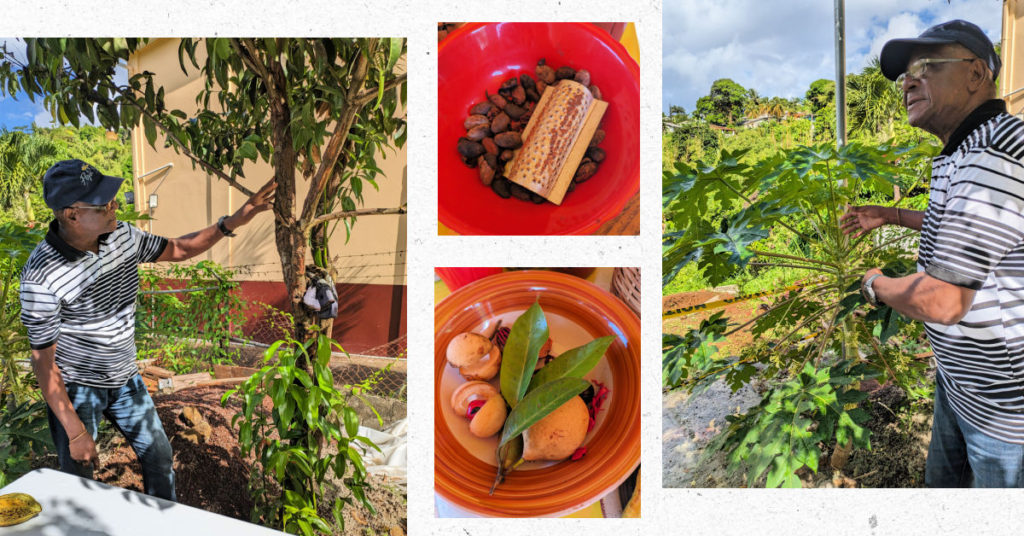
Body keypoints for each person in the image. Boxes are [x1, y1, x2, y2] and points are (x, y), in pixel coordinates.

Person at [19, 159, 276, 500]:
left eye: (113, 198)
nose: (115, 206)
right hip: (78, 389)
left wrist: (234, 220)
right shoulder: (41, 275)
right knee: (79, 479)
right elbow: (44, 363)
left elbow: (179, 249)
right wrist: (75, 430)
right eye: (104, 203)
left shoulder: (122, 236)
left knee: (159, 457)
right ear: (71, 215)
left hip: (126, 379)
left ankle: (163, 522)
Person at [841, 20, 1024, 487]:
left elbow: (943, 299)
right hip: (960, 382)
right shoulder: (961, 152)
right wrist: (891, 214)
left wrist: (873, 284)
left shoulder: (992, 154)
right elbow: (970, 232)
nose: (908, 81)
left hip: (1003, 412)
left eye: (926, 66)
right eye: (906, 73)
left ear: (976, 74)